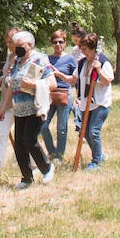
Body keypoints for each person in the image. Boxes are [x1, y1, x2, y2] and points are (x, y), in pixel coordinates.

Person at [0, 31, 55, 188]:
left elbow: (52, 83)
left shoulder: (40, 59)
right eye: (15, 47)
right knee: (19, 145)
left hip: (35, 107)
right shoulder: (16, 61)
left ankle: (47, 167)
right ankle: (26, 178)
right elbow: (11, 85)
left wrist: (33, 85)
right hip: (19, 109)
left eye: (20, 46)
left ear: (30, 44)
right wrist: (3, 107)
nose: (17, 49)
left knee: (29, 140)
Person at [74, 32, 114, 170]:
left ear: (93, 48)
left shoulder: (103, 62)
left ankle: (96, 161)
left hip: (100, 103)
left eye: (84, 49)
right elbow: (74, 79)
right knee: (84, 132)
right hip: (86, 103)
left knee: (93, 131)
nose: (82, 52)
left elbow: (107, 81)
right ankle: (100, 154)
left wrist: (98, 69)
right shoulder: (82, 63)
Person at [40, 30, 78, 161]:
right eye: (55, 42)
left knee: (62, 128)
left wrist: (59, 74)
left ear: (65, 43)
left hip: (64, 94)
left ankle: (59, 156)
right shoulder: (47, 59)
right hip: (49, 95)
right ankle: (52, 151)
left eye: (60, 42)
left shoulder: (70, 59)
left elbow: (75, 79)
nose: (58, 44)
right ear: (51, 44)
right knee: (43, 125)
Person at [0, 27, 20, 166]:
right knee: (1, 132)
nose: (9, 45)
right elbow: (8, 76)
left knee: (24, 137)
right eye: (7, 42)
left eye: (12, 41)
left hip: (21, 102)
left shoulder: (24, 57)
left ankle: (33, 164)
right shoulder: (9, 56)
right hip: (6, 103)